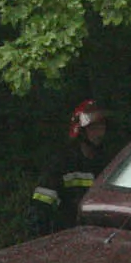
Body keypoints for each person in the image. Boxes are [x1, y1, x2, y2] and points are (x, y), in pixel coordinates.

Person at [29, 99, 112, 237]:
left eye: (101, 126)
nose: (99, 133)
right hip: (67, 236)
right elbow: (40, 209)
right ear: (81, 131)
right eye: (93, 128)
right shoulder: (63, 164)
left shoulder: (108, 161)